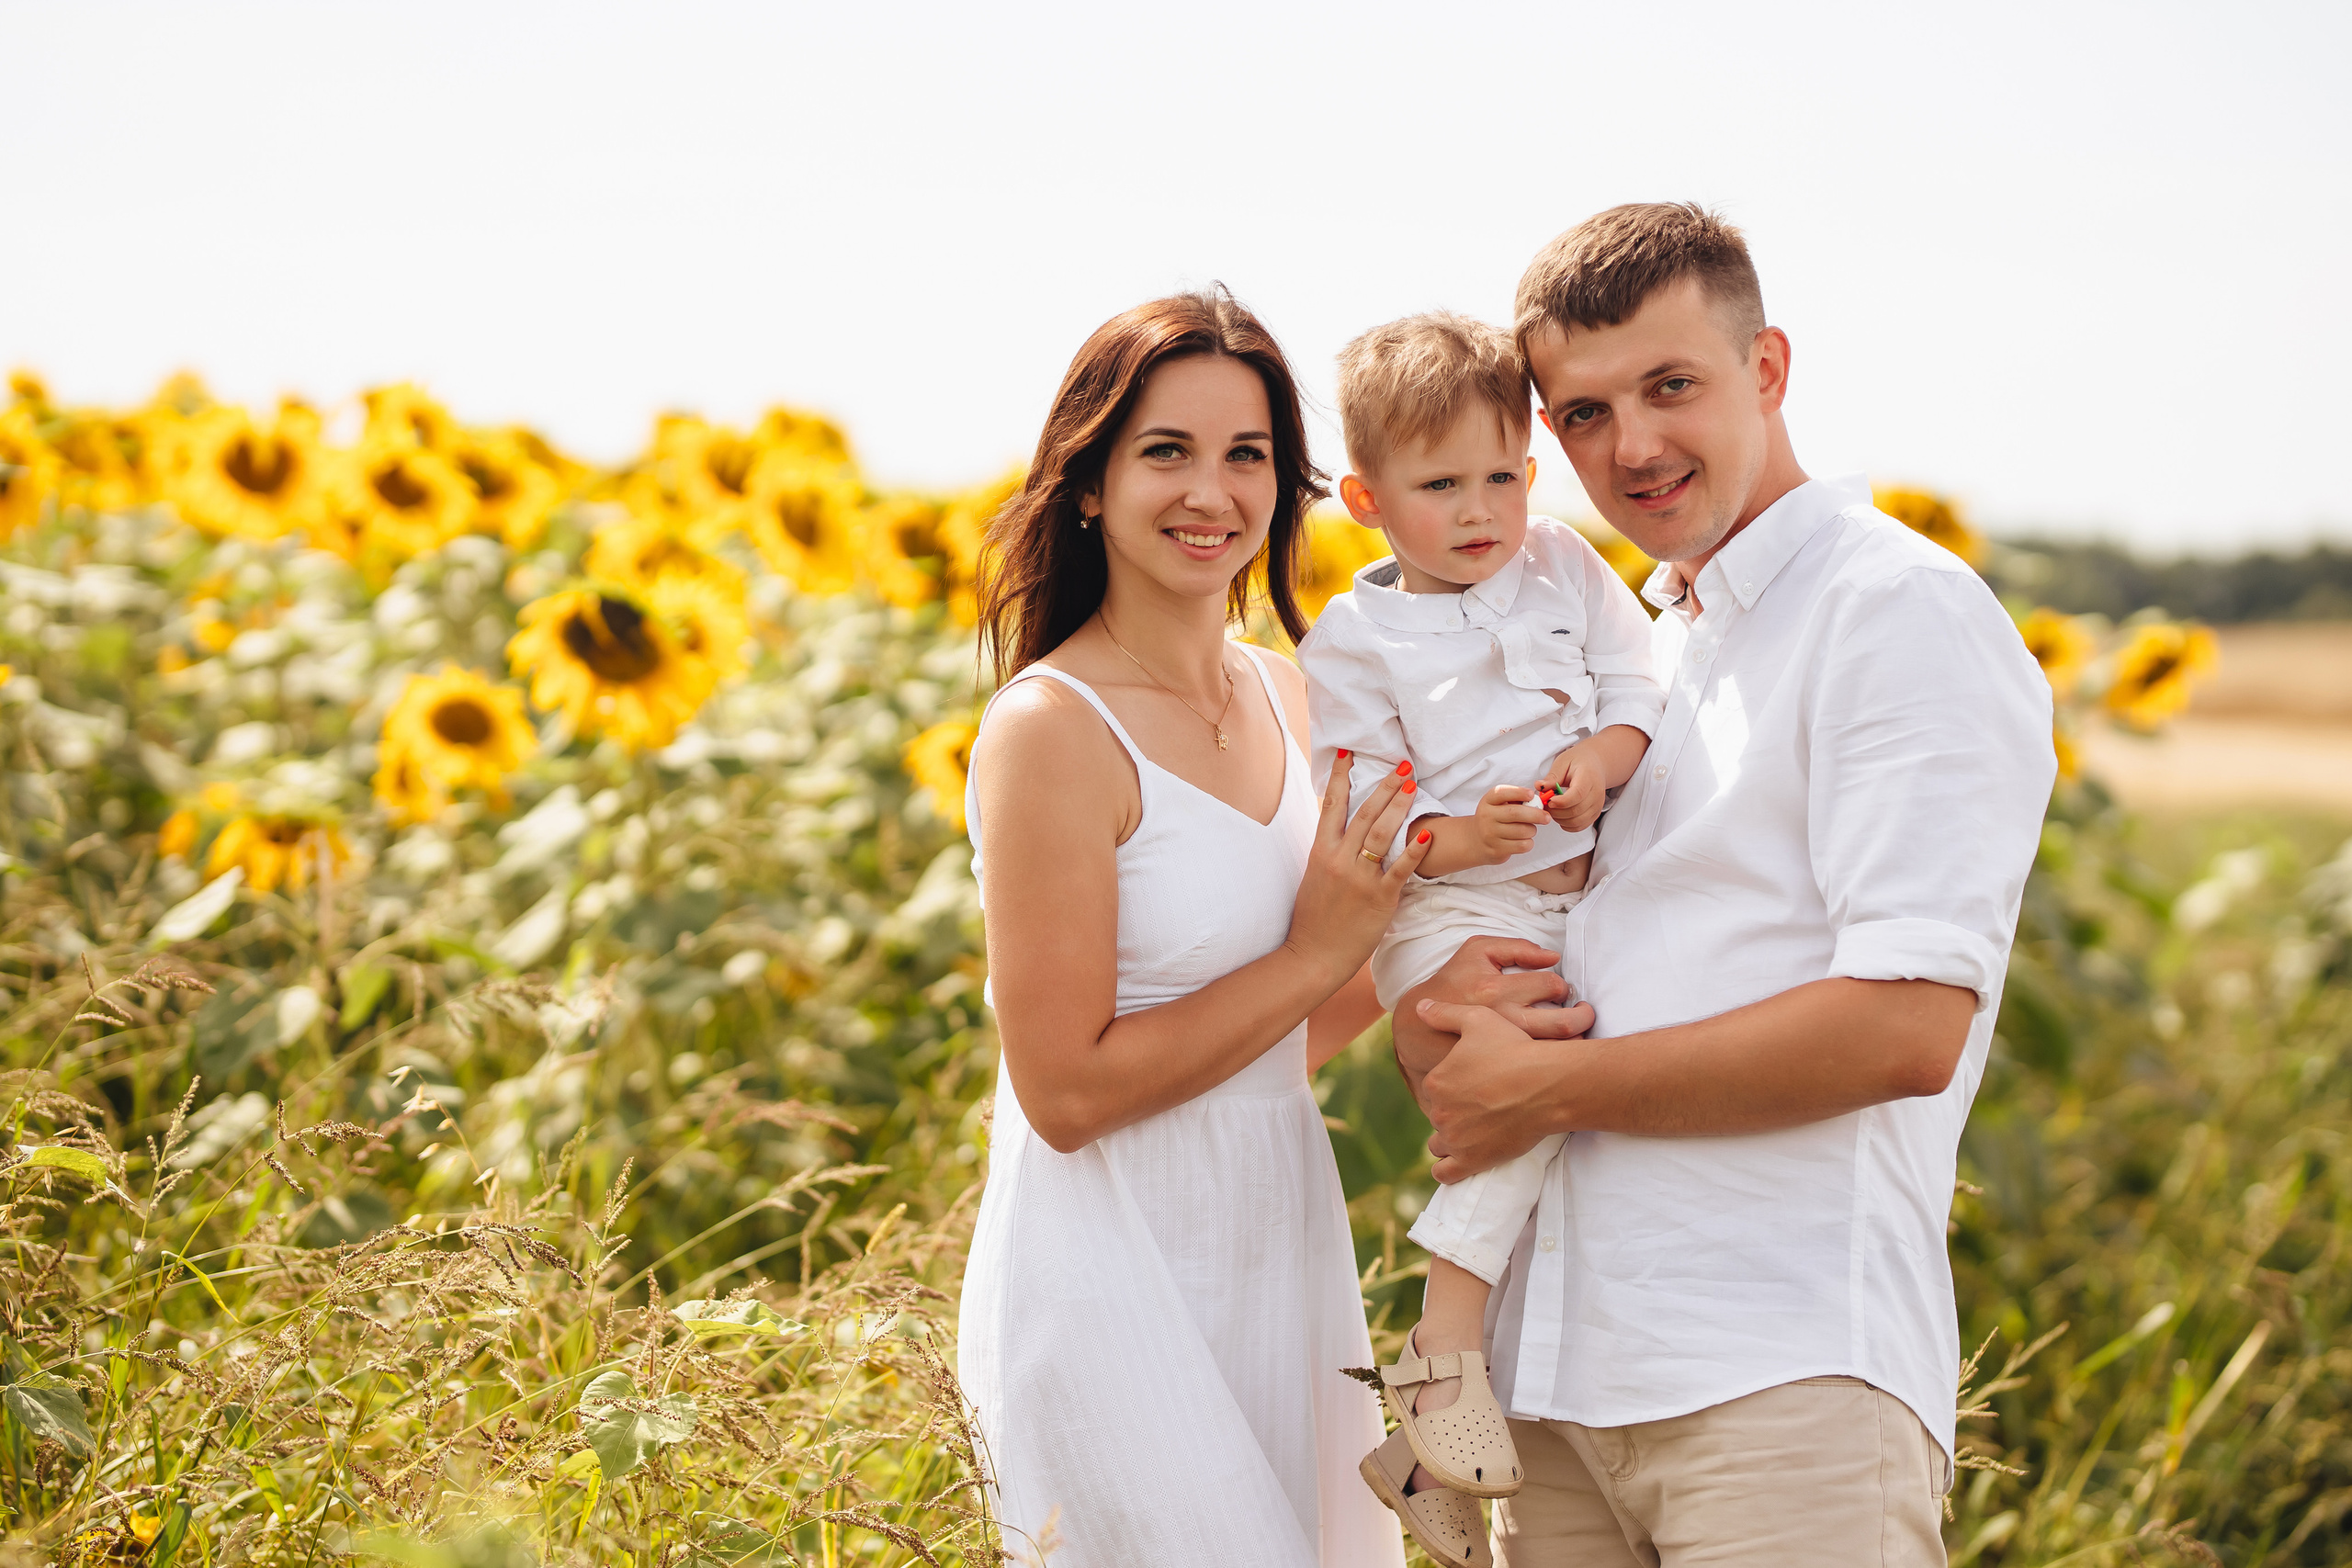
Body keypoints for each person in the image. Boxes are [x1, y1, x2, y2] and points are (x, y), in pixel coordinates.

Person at [1391, 204, 2056, 1565]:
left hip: (1779, 1388)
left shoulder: (1892, 610)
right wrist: (1450, 1008)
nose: (1631, 447)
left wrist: (1552, 1086)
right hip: (1557, 1390)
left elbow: (1906, 1026)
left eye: (1671, 386)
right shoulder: (1638, 649)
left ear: (1768, 369)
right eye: (1584, 413)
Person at [956, 288, 1419, 1568]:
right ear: (1088, 484)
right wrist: (1318, 950)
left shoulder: (1294, 696)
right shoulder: (1053, 730)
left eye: (1246, 455)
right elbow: (1064, 1093)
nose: (1211, 492)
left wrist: (1413, 937)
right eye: (1167, 451)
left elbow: (1287, 1036)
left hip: (1278, 1244)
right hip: (1109, 1275)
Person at [1294, 311, 1662, 1568]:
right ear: (1367, 500)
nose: (1480, 510)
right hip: (1447, 913)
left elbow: (1637, 689)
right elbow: (1364, 811)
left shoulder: (1566, 566)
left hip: (1573, 896)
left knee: (1555, 1101)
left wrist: (1600, 763)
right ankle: (1443, 1348)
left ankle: (1434, 1422)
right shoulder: (1353, 644)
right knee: (1534, 1072)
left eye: (1502, 477)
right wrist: (1457, 836)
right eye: (1441, 486)